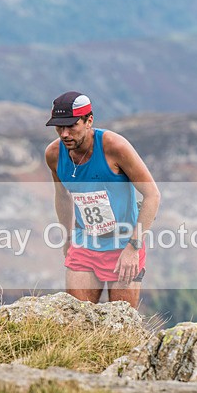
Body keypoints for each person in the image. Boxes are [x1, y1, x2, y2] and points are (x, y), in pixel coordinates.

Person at [45, 91, 160, 308]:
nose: (64, 134)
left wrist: (133, 248)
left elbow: (152, 195)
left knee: (122, 325)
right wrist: (68, 236)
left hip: (124, 242)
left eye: (72, 126)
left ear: (89, 121)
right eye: (59, 127)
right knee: (76, 320)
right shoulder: (53, 154)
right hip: (85, 242)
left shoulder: (114, 147)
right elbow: (62, 195)